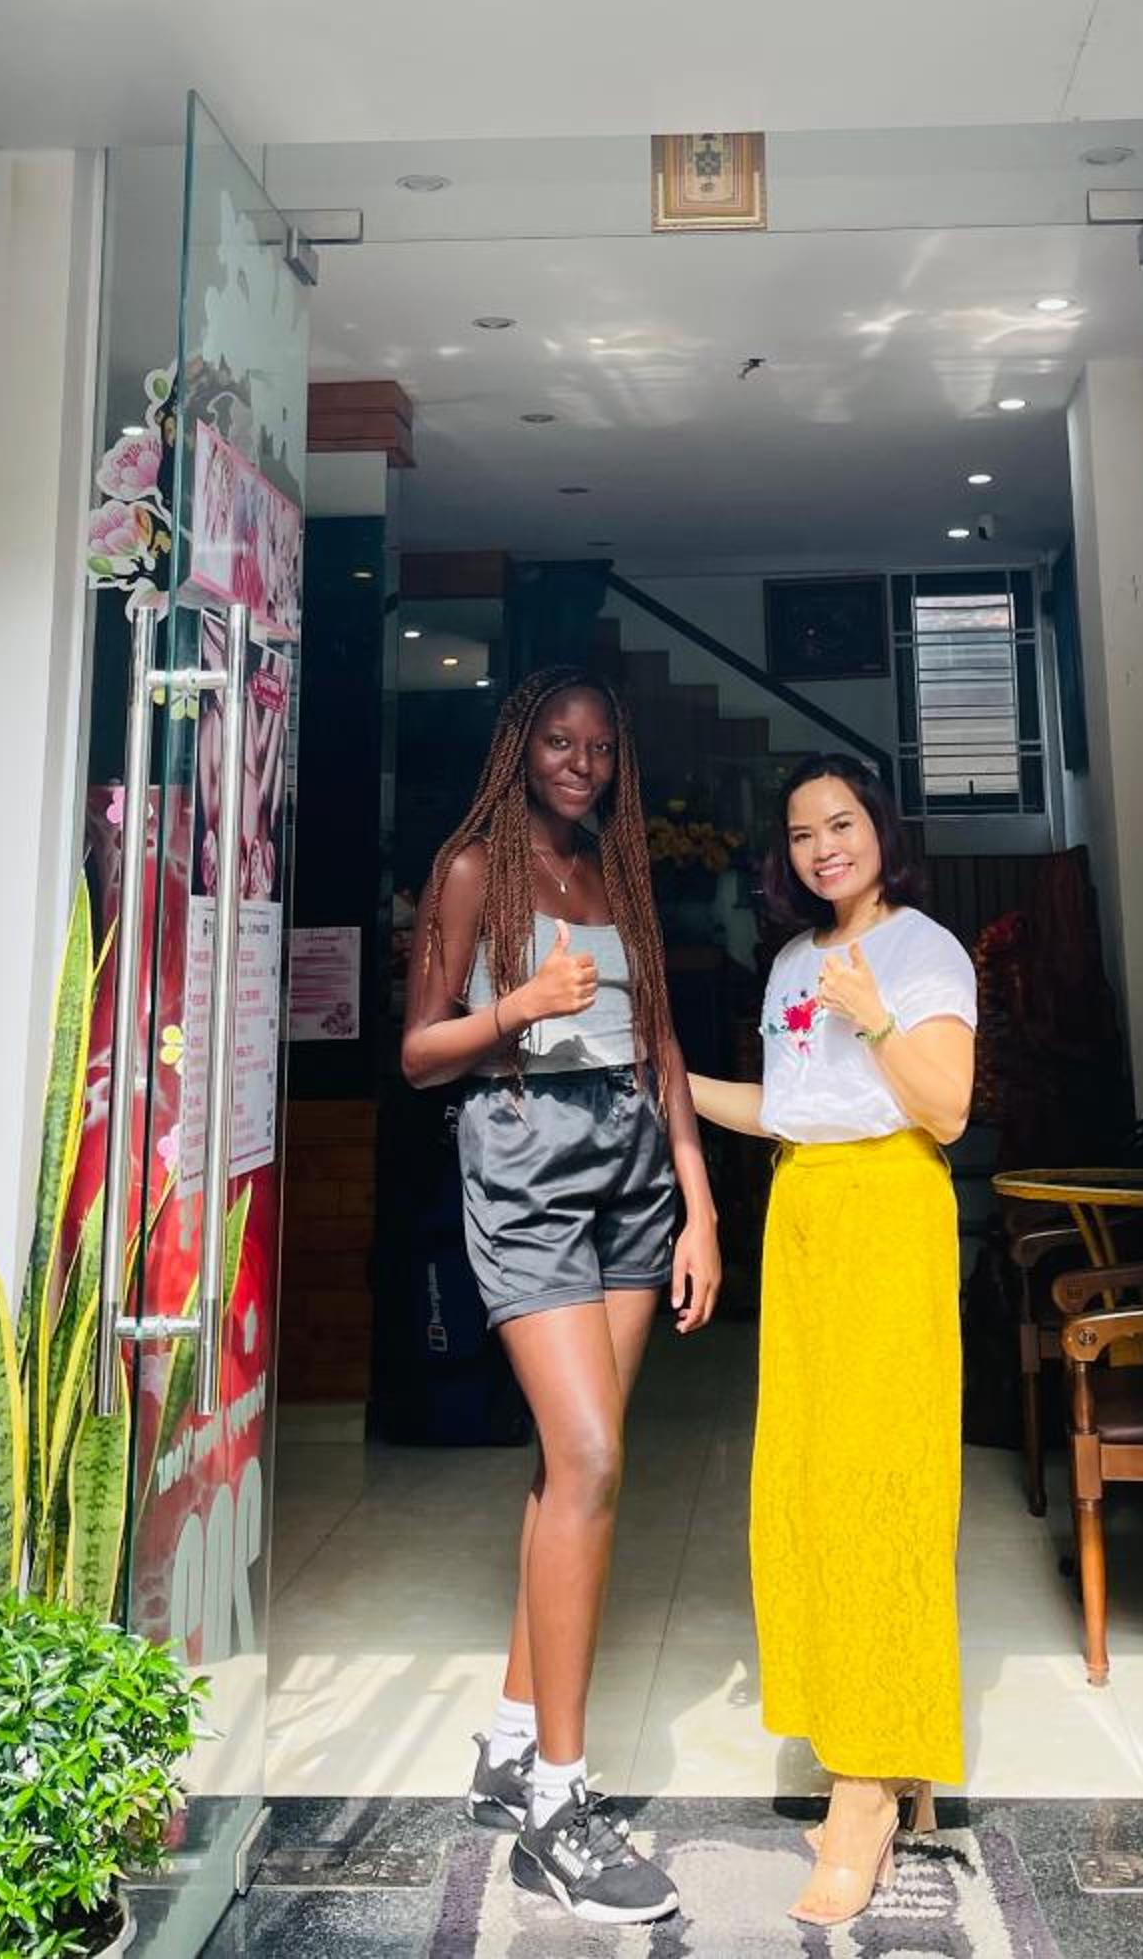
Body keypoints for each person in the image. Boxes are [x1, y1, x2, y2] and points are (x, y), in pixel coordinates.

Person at [403, 667, 721, 1927]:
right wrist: (521, 1005)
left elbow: (664, 1046)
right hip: (527, 1167)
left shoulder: (618, 871)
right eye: (558, 742)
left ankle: (508, 1743)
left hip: (636, 1173)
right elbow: (420, 1053)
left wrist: (699, 1203)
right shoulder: (473, 870)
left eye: (599, 747)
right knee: (588, 1458)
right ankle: (558, 1808)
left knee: (569, 1465)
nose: (581, 764)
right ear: (519, 746)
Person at [689, 755, 976, 1927]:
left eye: (842, 824)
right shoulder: (790, 963)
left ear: (880, 830)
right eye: (804, 833)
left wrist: (879, 1015)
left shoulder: (924, 951)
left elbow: (945, 1110)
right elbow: (791, 1108)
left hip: (890, 1216)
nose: (824, 848)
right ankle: (864, 1749)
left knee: (882, 1491)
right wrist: (674, 1080)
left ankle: (865, 1795)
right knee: (807, 1487)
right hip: (804, 1213)